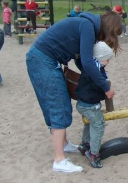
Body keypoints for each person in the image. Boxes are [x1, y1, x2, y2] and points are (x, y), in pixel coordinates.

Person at [26, 10, 122, 172]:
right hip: (43, 60)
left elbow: (81, 60)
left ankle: (64, 144)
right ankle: (59, 160)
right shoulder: (87, 26)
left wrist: (93, 77)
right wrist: (105, 87)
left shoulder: (86, 24)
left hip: (46, 59)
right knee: (58, 105)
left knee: (63, 102)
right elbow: (87, 61)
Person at [76, 41, 114, 169]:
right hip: (89, 104)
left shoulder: (92, 67)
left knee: (90, 122)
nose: (108, 62)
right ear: (99, 58)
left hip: (84, 102)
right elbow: (97, 87)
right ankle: (94, 154)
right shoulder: (94, 73)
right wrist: (105, 89)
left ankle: (85, 144)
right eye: (106, 59)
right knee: (98, 124)